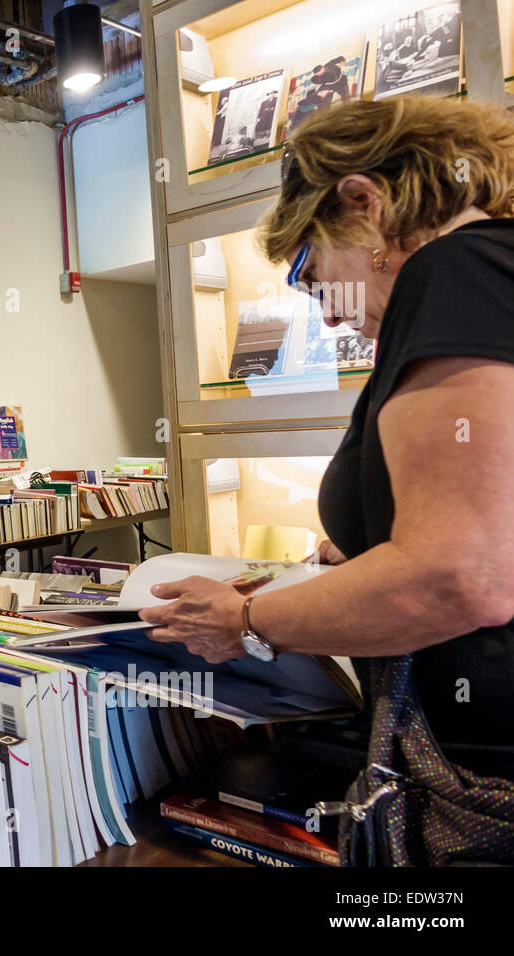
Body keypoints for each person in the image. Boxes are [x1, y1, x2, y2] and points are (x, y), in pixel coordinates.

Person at [139, 96, 514, 782]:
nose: (330, 318)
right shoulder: (492, 268)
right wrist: (367, 544)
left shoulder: (456, 272)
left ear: (365, 202)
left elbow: (462, 578)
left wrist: (247, 619)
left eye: (312, 276)